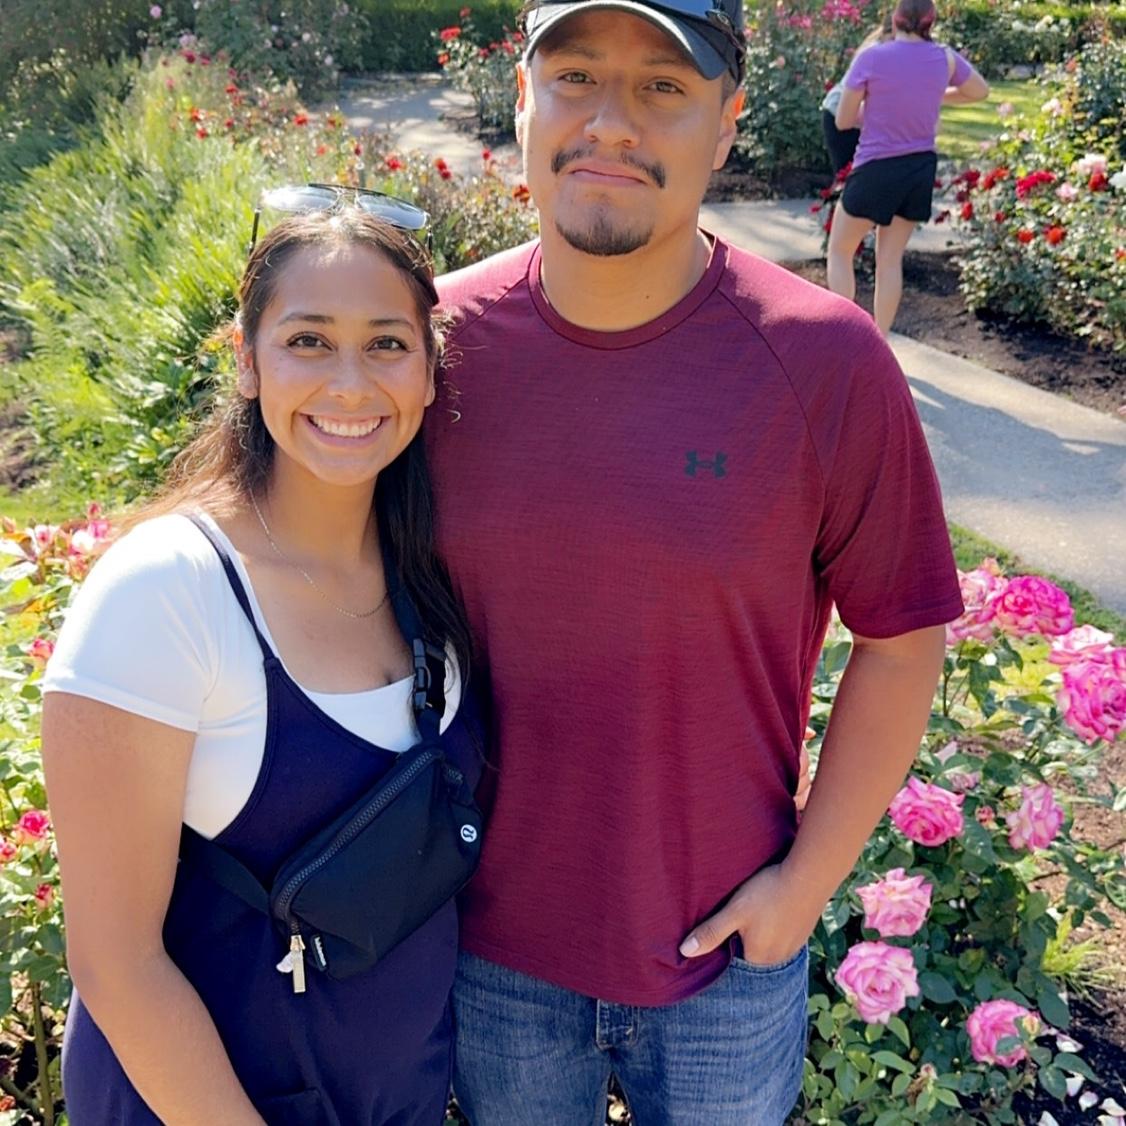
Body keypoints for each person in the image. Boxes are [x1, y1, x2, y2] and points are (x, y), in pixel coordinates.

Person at [425, 1, 965, 1123]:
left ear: (726, 122)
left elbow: (902, 638)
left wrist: (801, 889)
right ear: (523, 101)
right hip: (487, 953)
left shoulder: (823, 362)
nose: (611, 122)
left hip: (727, 958)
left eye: (663, 87)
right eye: (575, 77)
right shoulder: (427, 350)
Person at [41, 202, 481, 1124]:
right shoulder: (168, 593)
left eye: (388, 344)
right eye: (308, 341)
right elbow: (115, 964)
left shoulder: (424, 571)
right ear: (246, 361)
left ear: (430, 370)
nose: (351, 384)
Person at [826, 0, 989, 334]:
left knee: (840, 251)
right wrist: (933, 94)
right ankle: (880, 343)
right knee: (889, 261)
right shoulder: (945, 58)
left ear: (895, 18)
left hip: (876, 169)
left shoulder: (872, 57)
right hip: (919, 169)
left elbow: (842, 120)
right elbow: (979, 91)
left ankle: (845, 340)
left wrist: (876, 109)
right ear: (931, 22)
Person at [820, 16, 894, 177]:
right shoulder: (875, 53)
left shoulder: (885, 52)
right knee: (846, 177)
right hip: (838, 113)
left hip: (855, 117)